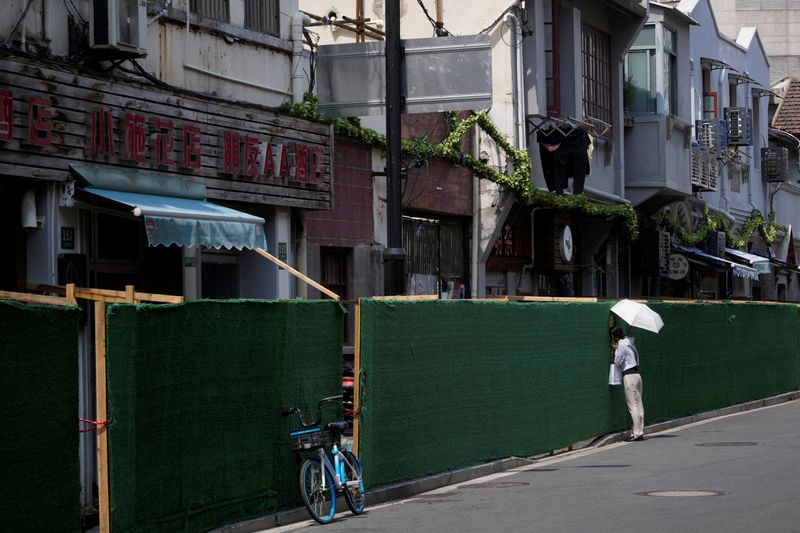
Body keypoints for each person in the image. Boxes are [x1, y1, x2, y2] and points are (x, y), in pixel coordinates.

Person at [610, 326, 644, 441]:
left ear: (614, 337)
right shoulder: (631, 343)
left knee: (633, 405)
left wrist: (615, 350)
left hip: (629, 376)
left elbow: (617, 362)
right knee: (639, 405)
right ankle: (638, 430)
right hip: (637, 375)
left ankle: (637, 433)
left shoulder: (622, 345)